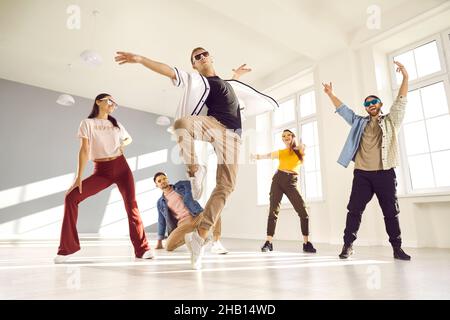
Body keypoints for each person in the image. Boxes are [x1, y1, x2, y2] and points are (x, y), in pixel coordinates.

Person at [115, 48, 278, 269]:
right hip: (215, 125)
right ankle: (195, 169)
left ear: (212, 57)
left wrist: (236, 75)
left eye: (204, 54)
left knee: (226, 186)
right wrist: (141, 60)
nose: (201, 58)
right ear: (194, 65)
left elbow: (230, 88)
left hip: (234, 138)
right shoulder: (198, 81)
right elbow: (170, 72)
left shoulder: (226, 82)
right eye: (196, 57)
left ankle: (200, 237)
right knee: (181, 124)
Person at [322, 61, 411, 260]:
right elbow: (343, 110)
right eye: (367, 103)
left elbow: (401, 100)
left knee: (391, 212)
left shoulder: (390, 121)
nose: (370, 105)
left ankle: (397, 248)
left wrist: (405, 77)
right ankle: (347, 246)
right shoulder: (358, 122)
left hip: (385, 173)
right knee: (354, 210)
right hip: (362, 174)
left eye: (374, 102)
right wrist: (330, 94)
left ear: (380, 105)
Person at [54, 93, 153, 263]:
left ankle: (142, 249)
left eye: (115, 103)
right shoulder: (87, 123)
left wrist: (122, 145)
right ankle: (66, 249)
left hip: (122, 168)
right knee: (71, 197)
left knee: (131, 206)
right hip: (102, 171)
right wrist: (78, 177)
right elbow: (84, 150)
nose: (112, 104)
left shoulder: (116, 124)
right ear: (98, 102)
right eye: (109, 101)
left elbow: (128, 139)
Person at [251, 129, 316, 254]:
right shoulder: (281, 152)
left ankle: (306, 243)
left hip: (291, 182)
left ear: (293, 137)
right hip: (278, 180)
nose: (286, 137)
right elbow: (267, 155)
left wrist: (298, 145)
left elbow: (303, 147)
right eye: (283, 136)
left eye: (288, 135)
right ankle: (268, 242)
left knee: (303, 213)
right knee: (273, 212)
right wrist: (256, 157)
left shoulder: (299, 150)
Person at [153, 172, 228, 254]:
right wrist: (159, 241)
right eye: (159, 181)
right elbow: (161, 222)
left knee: (215, 210)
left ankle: (216, 242)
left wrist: (195, 175)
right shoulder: (160, 202)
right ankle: (199, 236)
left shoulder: (181, 185)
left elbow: (194, 185)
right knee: (168, 246)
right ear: (156, 185)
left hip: (197, 215)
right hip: (183, 224)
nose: (163, 181)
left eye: (164, 178)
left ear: (167, 179)